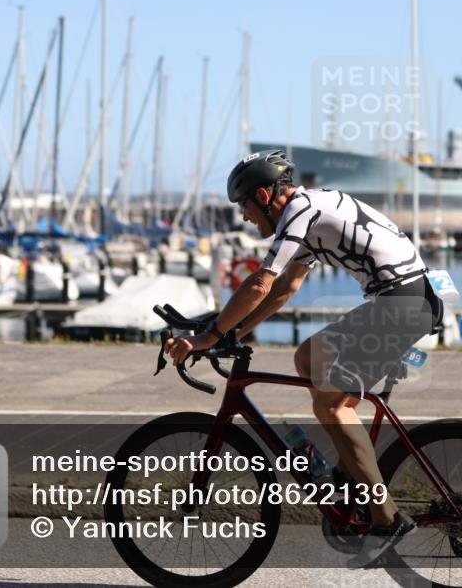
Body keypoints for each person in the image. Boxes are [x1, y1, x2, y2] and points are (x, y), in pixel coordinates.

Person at [164, 149, 442, 568]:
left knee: (328, 403)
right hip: (404, 300)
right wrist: (231, 331)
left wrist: (209, 336)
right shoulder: (312, 212)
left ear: (264, 194)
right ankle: (351, 477)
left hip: (402, 304)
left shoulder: (301, 209)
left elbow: (261, 282)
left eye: (245, 207)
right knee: (308, 357)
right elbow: (284, 290)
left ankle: (386, 519)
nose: (244, 218)